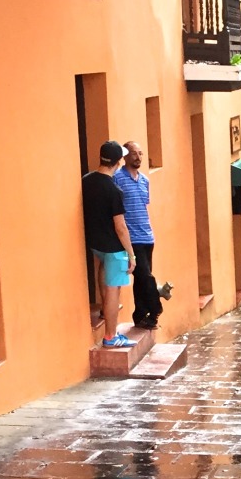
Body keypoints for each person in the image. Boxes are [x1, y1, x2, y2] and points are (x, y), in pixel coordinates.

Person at [112, 140, 172, 328]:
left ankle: (140, 315)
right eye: (134, 153)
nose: (138, 157)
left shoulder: (145, 180)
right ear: (125, 156)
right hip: (132, 238)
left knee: (141, 278)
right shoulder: (117, 178)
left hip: (147, 236)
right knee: (145, 276)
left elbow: (143, 205)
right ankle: (155, 309)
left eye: (140, 153)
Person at [82, 141, 135, 349]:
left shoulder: (86, 180)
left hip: (96, 243)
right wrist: (131, 254)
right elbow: (120, 226)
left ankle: (105, 312)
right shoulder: (114, 190)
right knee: (114, 290)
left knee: (103, 272)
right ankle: (111, 336)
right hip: (113, 247)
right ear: (118, 162)